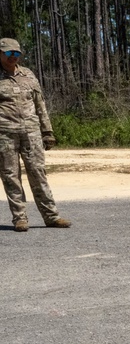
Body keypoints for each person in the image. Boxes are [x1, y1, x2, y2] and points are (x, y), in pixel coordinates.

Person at [0, 37, 70, 232]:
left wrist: (48, 132)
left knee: (38, 173)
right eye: (8, 53)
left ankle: (51, 216)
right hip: (5, 135)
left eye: (16, 53)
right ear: (0, 54)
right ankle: (20, 218)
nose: (13, 57)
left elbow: (40, 105)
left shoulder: (28, 75)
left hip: (32, 133)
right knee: (10, 176)